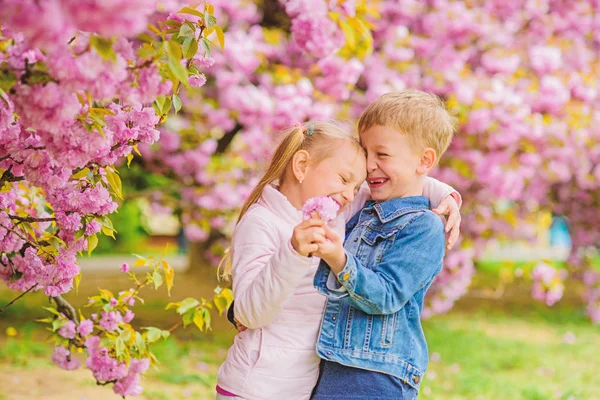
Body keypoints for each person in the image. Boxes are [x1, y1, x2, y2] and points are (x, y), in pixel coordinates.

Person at [216, 118, 461, 400]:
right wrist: (294, 253)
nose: (351, 194)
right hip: (256, 388)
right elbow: (249, 314)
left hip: (303, 387)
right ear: (301, 166)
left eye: (356, 188)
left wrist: (448, 196)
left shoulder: (337, 210)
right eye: (345, 180)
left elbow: (402, 181)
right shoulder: (262, 222)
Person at [311, 90, 458, 399]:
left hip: (376, 376)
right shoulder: (362, 210)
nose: (370, 165)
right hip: (334, 364)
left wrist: (339, 259)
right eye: (366, 152)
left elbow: (387, 295)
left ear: (425, 160)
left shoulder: (425, 226)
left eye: (383, 154)